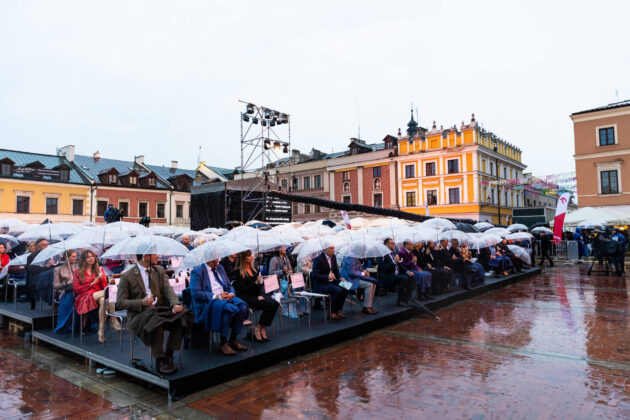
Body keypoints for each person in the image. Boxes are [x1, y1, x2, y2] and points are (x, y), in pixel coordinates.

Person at [117, 254, 187, 373]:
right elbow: (120, 303)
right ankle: (159, 359)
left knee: (182, 317)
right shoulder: (127, 276)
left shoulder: (159, 270)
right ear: (145, 256)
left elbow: (168, 290)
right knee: (156, 322)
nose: (158, 256)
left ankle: (168, 355)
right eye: (154, 254)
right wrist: (141, 302)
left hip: (159, 310)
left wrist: (174, 304)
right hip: (140, 314)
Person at [189, 257, 249, 355]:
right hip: (210, 301)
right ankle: (223, 342)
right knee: (228, 309)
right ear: (207, 258)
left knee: (243, 307)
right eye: (214, 260)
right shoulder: (197, 272)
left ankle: (233, 339)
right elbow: (196, 294)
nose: (217, 261)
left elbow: (229, 285)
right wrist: (216, 296)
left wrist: (231, 294)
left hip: (225, 297)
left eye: (217, 258)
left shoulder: (220, 267)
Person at [232, 250, 280, 342]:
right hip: (246, 297)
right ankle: (258, 328)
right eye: (249, 256)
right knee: (269, 304)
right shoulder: (238, 272)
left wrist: (261, 295)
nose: (252, 257)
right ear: (244, 258)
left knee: (275, 303)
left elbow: (261, 287)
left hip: (256, 295)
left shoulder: (255, 269)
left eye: (251, 255)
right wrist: (256, 282)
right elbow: (243, 290)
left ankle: (263, 327)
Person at [73, 250, 116, 342]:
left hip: (98, 294)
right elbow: (76, 289)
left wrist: (103, 279)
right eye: (88, 257)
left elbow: (104, 287)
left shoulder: (99, 270)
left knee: (104, 300)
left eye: (93, 256)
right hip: (84, 296)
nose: (91, 258)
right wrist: (92, 283)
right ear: (84, 259)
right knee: (109, 293)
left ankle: (101, 333)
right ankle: (114, 319)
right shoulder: (77, 272)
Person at [311, 245, 348, 320]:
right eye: (331, 248)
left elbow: (335, 270)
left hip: (332, 281)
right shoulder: (318, 259)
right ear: (325, 249)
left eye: (333, 248)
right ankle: (331, 313)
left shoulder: (333, 256)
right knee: (338, 290)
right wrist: (327, 277)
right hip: (321, 284)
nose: (333, 250)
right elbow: (314, 275)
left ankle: (337, 310)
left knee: (347, 286)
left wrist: (340, 277)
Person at [377, 238, 413, 306]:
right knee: (404, 278)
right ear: (386, 245)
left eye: (394, 243)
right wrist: (394, 262)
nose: (394, 245)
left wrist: (407, 271)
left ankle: (407, 298)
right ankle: (400, 301)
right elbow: (383, 268)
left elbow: (399, 264)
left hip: (395, 274)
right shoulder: (382, 254)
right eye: (392, 243)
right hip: (387, 276)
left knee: (410, 276)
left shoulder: (393, 253)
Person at [53, 249, 78, 334]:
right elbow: (56, 286)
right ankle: (65, 326)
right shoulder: (58, 269)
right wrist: (66, 282)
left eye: (76, 256)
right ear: (67, 258)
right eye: (73, 256)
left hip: (77, 290)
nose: (76, 258)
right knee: (71, 296)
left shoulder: (78, 267)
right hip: (64, 292)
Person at [26, 238, 49, 310]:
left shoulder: (50, 254)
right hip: (36, 276)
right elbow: (32, 270)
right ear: (38, 247)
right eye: (44, 245)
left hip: (48, 276)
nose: (46, 247)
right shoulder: (32, 256)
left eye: (47, 245)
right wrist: (46, 267)